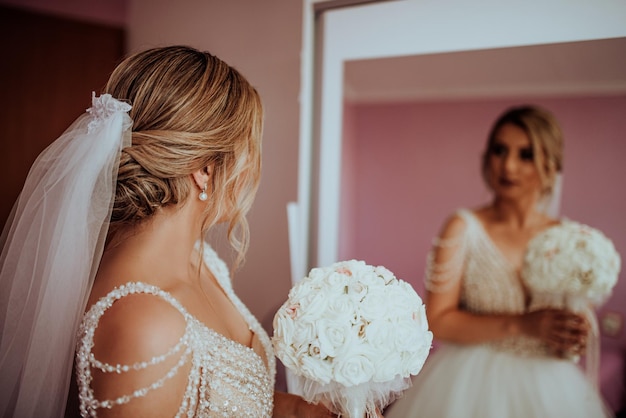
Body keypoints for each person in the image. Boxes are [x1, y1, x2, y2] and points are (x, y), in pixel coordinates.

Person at [0, 45, 336, 417]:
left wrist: (298, 410)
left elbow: (232, 401)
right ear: (205, 171)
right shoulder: (143, 324)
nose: (252, 174)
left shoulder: (203, 260)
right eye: (248, 153)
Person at [385, 105, 613, 418]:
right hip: (467, 384)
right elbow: (437, 320)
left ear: (551, 163)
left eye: (526, 154)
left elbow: (573, 332)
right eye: (500, 150)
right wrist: (524, 324)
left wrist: (571, 338)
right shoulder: (463, 228)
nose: (508, 165)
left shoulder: (570, 239)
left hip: (551, 387)